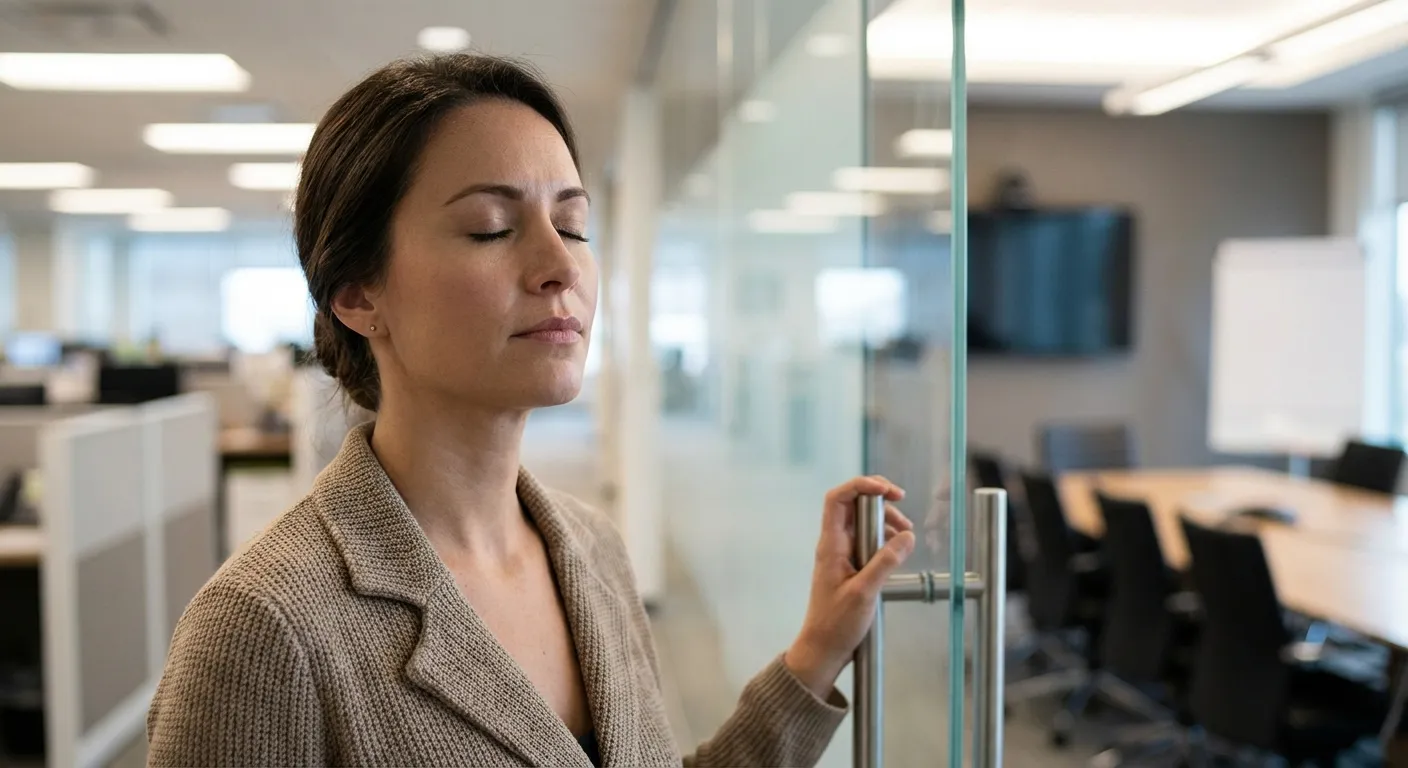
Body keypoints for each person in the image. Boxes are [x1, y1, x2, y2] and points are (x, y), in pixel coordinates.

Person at [146, 54, 917, 767]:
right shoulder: (264, 628)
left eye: (573, 225)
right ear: (357, 294)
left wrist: (815, 654)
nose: (560, 267)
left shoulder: (592, 551)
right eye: (492, 227)